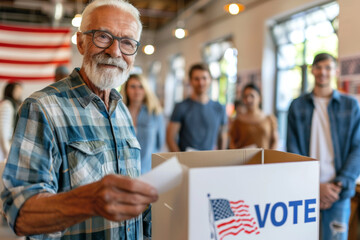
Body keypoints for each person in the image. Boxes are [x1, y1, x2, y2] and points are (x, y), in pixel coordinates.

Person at [1, 0, 158, 239]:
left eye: (127, 42)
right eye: (103, 37)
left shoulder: (122, 110)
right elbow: (19, 213)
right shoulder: (43, 108)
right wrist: (88, 201)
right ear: (81, 42)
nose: (115, 52)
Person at [287, 53, 360, 240]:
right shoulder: (297, 106)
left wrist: (336, 185)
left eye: (328, 67)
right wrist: (315, 185)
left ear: (336, 71)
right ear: (312, 70)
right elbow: (292, 149)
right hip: (305, 190)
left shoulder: (350, 105)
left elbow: (358, 147)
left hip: (338, 192)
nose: (323, 72)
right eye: (318, 67)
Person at [166, 63, 228, 152]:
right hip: (186, 161)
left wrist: (221, 159)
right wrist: (179, 161)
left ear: (210, 80)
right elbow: (170, 138)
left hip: (211, 161)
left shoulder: (219, 108)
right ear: (190, 81)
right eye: (196, 79)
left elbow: (223, 136)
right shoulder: (181, 107)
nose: (201, 83)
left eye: (204, 78)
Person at [121, 74, 165, 175]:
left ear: (146, 90)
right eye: (133, 87)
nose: (137, 91)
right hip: (124, 171)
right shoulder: (119, 112)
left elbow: (160, 143)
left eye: (141, 87)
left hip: (147, 171)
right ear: (126, 89)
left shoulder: (155, 113)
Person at [229, 83, 278, 149]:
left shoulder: (269, 119)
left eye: (252, 96)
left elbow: (275, 141)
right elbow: (232, 143)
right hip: (245, 159)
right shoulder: (238, 121)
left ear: (259, 98)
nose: (249, 99)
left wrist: (271, 157)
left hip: (266, 158)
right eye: (245, 96)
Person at [0, 82, 22, 161]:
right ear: (10, 91)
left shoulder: (10, 104)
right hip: (2, 151)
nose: (19, 94)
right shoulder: (7, 105)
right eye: (17, 91)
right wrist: (7, 152)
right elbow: (3, 131)